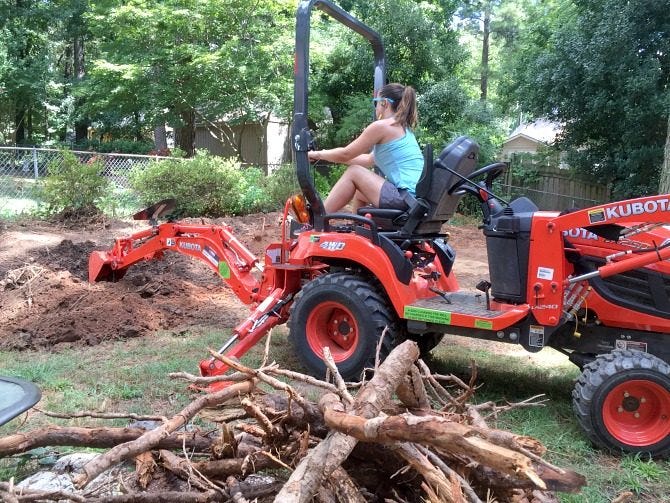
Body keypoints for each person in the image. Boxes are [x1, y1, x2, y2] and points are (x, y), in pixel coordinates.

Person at [308, 83, 424, 213]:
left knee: (354, 172)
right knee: (360, 191)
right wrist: (325, 156)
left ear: (384, 103)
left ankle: (317, 220)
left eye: (376, 103)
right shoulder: (403, 129)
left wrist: (318, 154)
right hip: (416, 200)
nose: (376, 108)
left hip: (405, 199)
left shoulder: (383, 126)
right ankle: (360, 227)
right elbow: (368, 159)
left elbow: (346, 154)